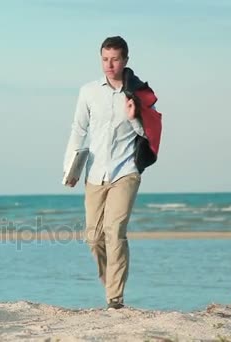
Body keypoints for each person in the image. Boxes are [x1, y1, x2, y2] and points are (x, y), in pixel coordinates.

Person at [62, 36, 163, 310]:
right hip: (95, 173)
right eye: (105, 59)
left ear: (125, 60)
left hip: (125, 171)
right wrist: (70, 167)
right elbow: (78, 129)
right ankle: (110, 283)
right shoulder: (88, 91)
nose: (109, 64)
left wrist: (135, 118)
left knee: (114, 231)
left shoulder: (138, 94)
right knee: (93, 238)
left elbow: (150, 133)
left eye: (115, 59)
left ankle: (114, 300)